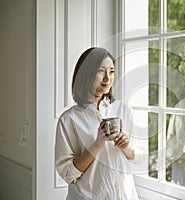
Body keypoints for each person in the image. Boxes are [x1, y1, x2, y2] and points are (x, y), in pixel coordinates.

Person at [55, 47, 144, 200]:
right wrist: (97, 144)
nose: (107, 78)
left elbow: (140, 158)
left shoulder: (123, 109)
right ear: (86, 73)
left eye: (112, 71)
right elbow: (68, 174)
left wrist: (127, 147)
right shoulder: (69, 119)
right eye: (101, 71)